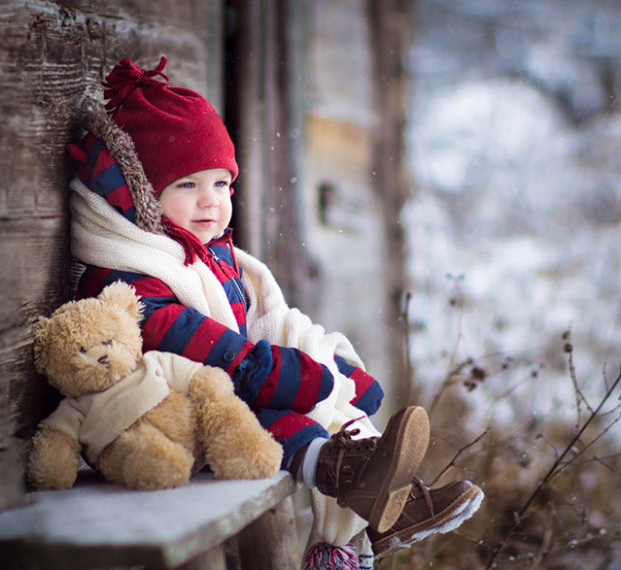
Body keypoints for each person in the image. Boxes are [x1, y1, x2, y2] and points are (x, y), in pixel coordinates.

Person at [66, 56, 482, 568]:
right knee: (270, 411)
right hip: (160, 422)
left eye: (222, 185)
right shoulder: (129, 269)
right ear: (144, 196)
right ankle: (356, 484)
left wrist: (332, 368)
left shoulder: (210, 257)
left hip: (220, 398)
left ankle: (392, 501)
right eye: (188, 185)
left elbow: (265, 320)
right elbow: (168, 329)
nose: (210, 202)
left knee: (303, 404)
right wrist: (257, 369)